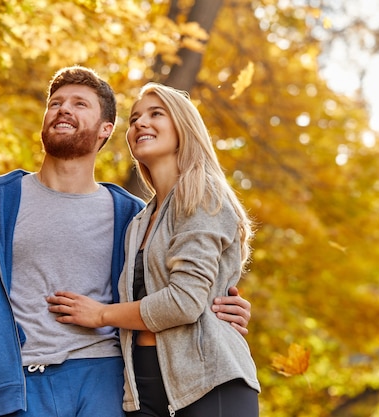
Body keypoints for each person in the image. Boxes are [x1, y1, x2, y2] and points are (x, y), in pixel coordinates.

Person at [0, 66, 252, 417]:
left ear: (106, 130)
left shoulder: (128, 215)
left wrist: (221, 304)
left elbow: (175, 291)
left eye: (79, 103)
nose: (63, 109)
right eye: (55, 103)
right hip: (16, 388)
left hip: (108, 388)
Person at [47, 83, 260, 417]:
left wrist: (101, 314)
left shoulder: (202, 194)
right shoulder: (139, 220)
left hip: (207, 383)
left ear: (183, 127)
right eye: (134, 119)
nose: (140, 123)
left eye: (155, 114)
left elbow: (185, 302)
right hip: (143, 388)